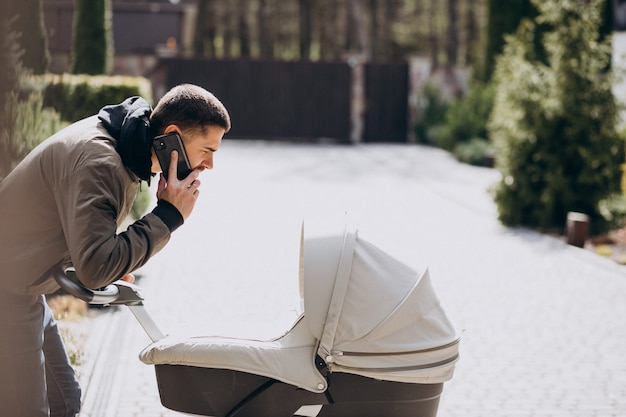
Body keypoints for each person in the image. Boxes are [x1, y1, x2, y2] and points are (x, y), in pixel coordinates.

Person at [0, 83, 231, 417]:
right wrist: (167, 215)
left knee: (64, 399)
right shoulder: (103, 163)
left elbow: (80, 240)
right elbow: (95, 268)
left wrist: (109, 258)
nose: (209, 164)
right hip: (9, 289)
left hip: (22, 285)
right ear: (172, 137)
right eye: (207, 150)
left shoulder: (122, 150)